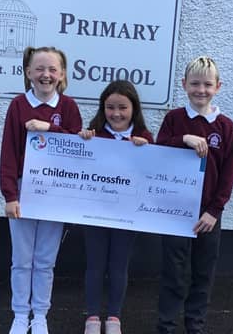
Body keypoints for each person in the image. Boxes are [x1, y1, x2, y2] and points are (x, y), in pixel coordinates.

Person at [0, 46, 82, 334]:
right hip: (24, 189)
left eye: (52, 69)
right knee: (22, 259)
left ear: (61, 74)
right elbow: (8, 152)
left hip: (55, 192)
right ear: (28, 73)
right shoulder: (18, 106)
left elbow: (77, 147)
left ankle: (41, 315)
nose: (46, 75)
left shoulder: (69, 107)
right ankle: (20, 314)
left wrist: (49, 128)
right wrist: (10, 195)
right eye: (39, 69)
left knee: (45, 260)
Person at [156, 56, 233, 334]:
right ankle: (166, 325)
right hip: (175, 210)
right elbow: (159, 152)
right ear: (184, 85)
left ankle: (195, 324)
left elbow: (229, 172)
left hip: (208, 215)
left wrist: (214, 211)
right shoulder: (174, 119)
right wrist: (183, 139)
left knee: (202, 273)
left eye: (207, 84)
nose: (200, 90)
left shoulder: (225, 127)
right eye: (194, 84)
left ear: (218, 86)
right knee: (174, 273)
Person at [78, 80, 154, 334]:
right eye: (110, 107)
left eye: (123, 107)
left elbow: (155, 172)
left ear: (134, 108)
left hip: (127, 215)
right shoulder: (94, 134)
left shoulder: (144, 138)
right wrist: (83, 141)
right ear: (102, 108)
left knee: (119, 266)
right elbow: (78, 166)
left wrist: (148, 150)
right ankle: (91, 318)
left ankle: (113, 318)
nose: (116, 113)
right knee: (94, 265)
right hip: (95, 213)